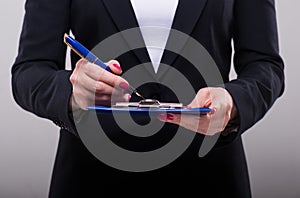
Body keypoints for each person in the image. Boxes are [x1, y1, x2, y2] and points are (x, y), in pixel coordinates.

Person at [11, 0, 284, 197]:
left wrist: (233, 102)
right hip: (92, 175)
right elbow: (29, 71)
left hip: (208, 173)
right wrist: (73, 91)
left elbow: (265, 65)